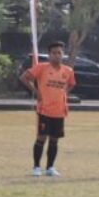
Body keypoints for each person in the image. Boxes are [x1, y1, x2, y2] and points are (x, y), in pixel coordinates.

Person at [20, 40, 76, 177]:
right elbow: (24, 78)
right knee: (41, 138)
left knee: (54, 140)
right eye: (54, 53)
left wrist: (64, 93)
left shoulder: (68, 71)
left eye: (59, 53)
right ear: (49, 55)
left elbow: (72, 84)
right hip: (45, 109)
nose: (57, 55)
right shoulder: (42, 68)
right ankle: (36, 167)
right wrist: (36, 92)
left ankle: (50, 167)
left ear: (63, 55)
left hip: (60, 111)